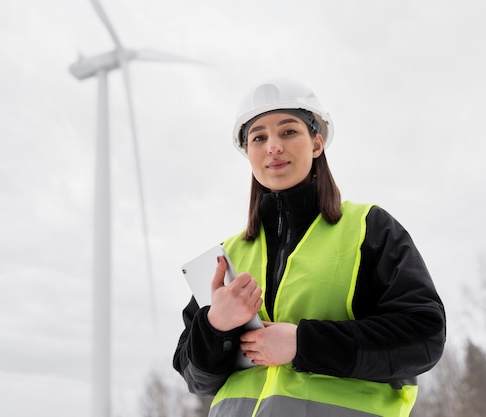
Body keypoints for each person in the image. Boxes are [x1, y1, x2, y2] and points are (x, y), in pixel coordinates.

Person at [173, 78, 446, 417]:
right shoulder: (224, 256)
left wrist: (304, 343)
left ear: (317, 144)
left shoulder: (368, 228)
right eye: (259, 137)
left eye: (288, 132)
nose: (273, 146)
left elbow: (423, 337)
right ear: (248, 153)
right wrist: (215, 325)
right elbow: (196, 380)